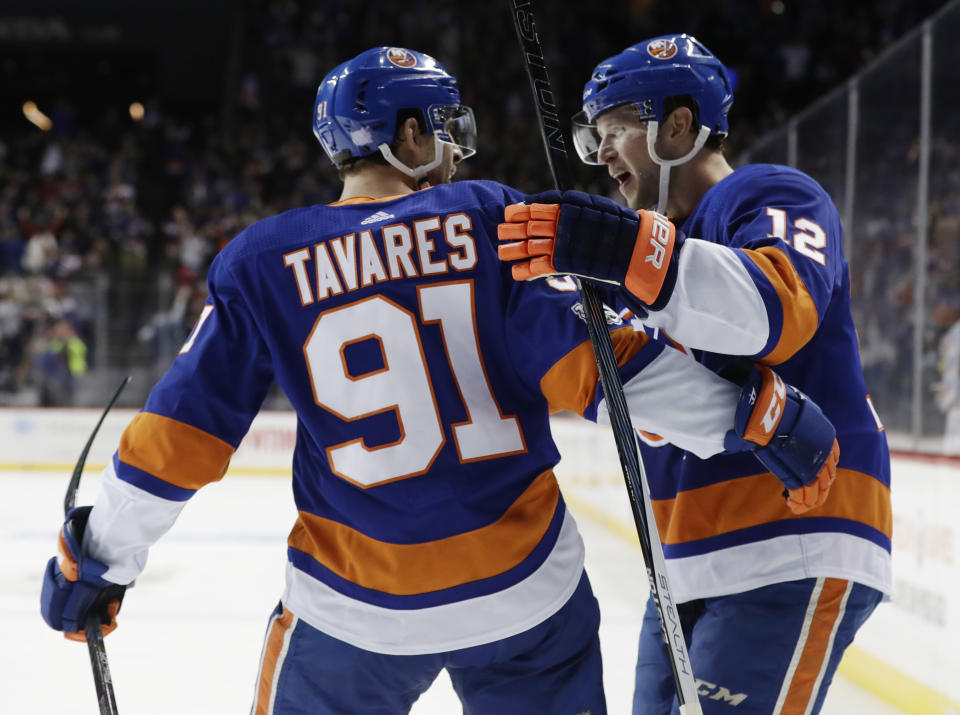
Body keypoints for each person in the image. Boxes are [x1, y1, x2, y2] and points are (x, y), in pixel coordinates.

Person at [40, 46, 839, 715]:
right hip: (522, 595)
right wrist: (747, 419)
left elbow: (180, 436)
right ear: (409, 135)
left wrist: (100, 557)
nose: (458, 151)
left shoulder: (260, 259)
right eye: (448, 130)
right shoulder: (489, 216)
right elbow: (594, 369)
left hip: (351, 607)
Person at [497, 34, 891, 715]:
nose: (603, 156)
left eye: (615, 131)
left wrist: (623, 250)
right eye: (594, 140)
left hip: (790, 535)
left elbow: (775, 310)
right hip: (685, 561)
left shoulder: (767, 192)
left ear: (678, 124)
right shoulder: (639, 266)